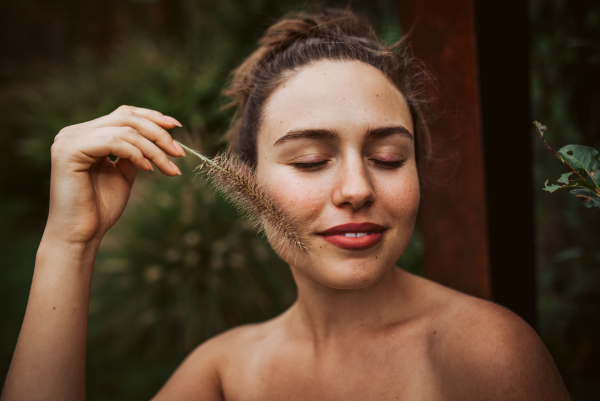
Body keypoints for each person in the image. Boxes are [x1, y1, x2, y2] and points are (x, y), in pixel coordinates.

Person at [1, 8, 570, 401]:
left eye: (390, 158)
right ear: (246, 180)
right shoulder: (225, 371)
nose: (356, 188)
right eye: (309, 161)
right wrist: (69, 245)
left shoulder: (483, 352)